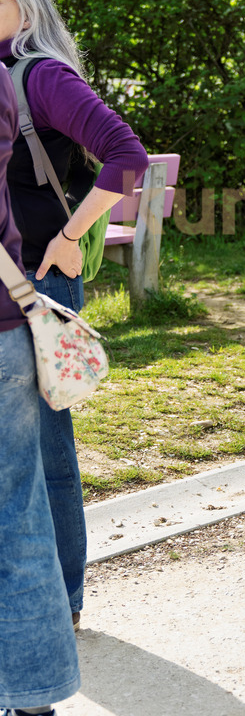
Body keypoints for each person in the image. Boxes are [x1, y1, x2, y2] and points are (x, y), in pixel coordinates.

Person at [0, 0, 148, 629]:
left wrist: (67, 239)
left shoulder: (40, 74)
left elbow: (128, 158)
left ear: (24, 7)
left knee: (42, 446)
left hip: (36, 284)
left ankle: (59, 601)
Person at [0, 60, 81, 716]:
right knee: (19, 517)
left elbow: (124, 152)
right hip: (7, 328)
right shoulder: (4, 80)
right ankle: (32, 700)